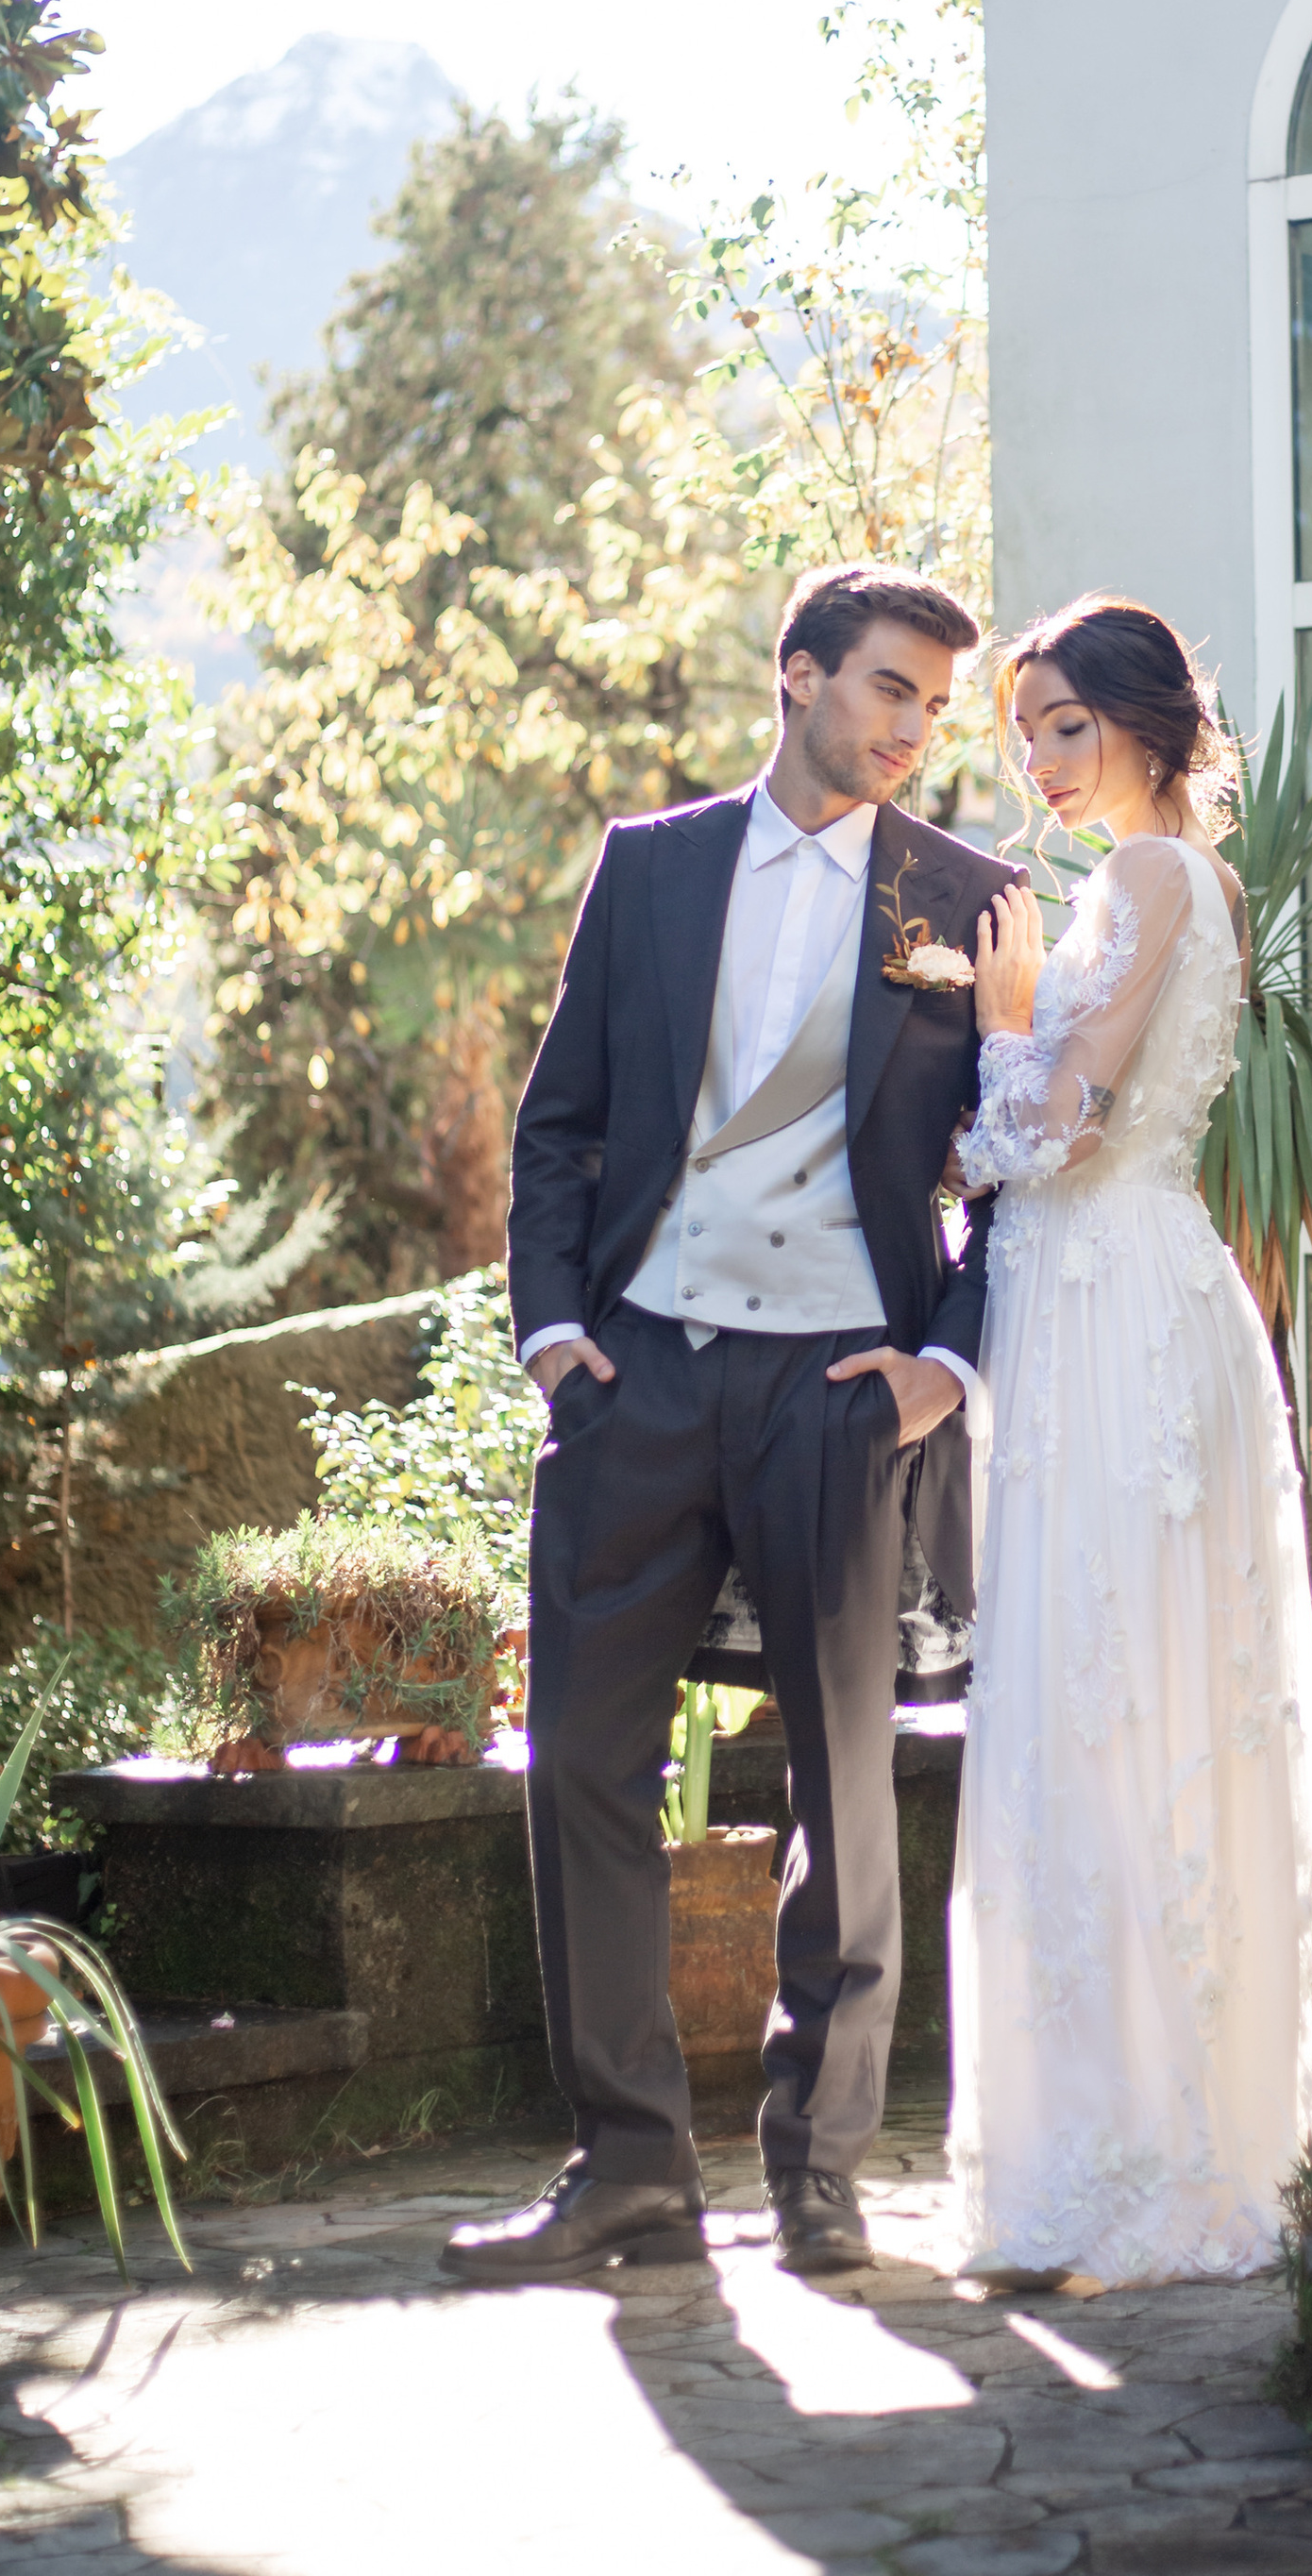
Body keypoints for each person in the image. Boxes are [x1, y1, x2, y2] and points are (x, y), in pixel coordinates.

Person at [443, 564, 1019, 2290]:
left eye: (933, 704)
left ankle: (821, 2171)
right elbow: (562, 1129)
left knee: (845, 1787)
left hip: (840, 1385)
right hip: (639, 1375)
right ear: (798, 676)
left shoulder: (966, 899)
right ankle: (628, 2171)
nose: (915, 730)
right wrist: (555, 1335)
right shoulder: (653, 865)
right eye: (890, 690)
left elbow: (1019, 1175)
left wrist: (947, 1365)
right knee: (584, 1769)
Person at [948, 595, 1312, 2285]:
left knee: (1115, 1701)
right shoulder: (1157, 884)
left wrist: (994, 1020)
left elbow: (1064, 1127)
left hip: (1117, 1316)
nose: (1038, 760)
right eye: (1023, 731)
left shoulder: (1161, 880)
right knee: (1093, 1701)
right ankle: (1103, 2142)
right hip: (1091, 1312)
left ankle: (1147, 2157)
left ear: (1147, 726)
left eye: (1063, 727)